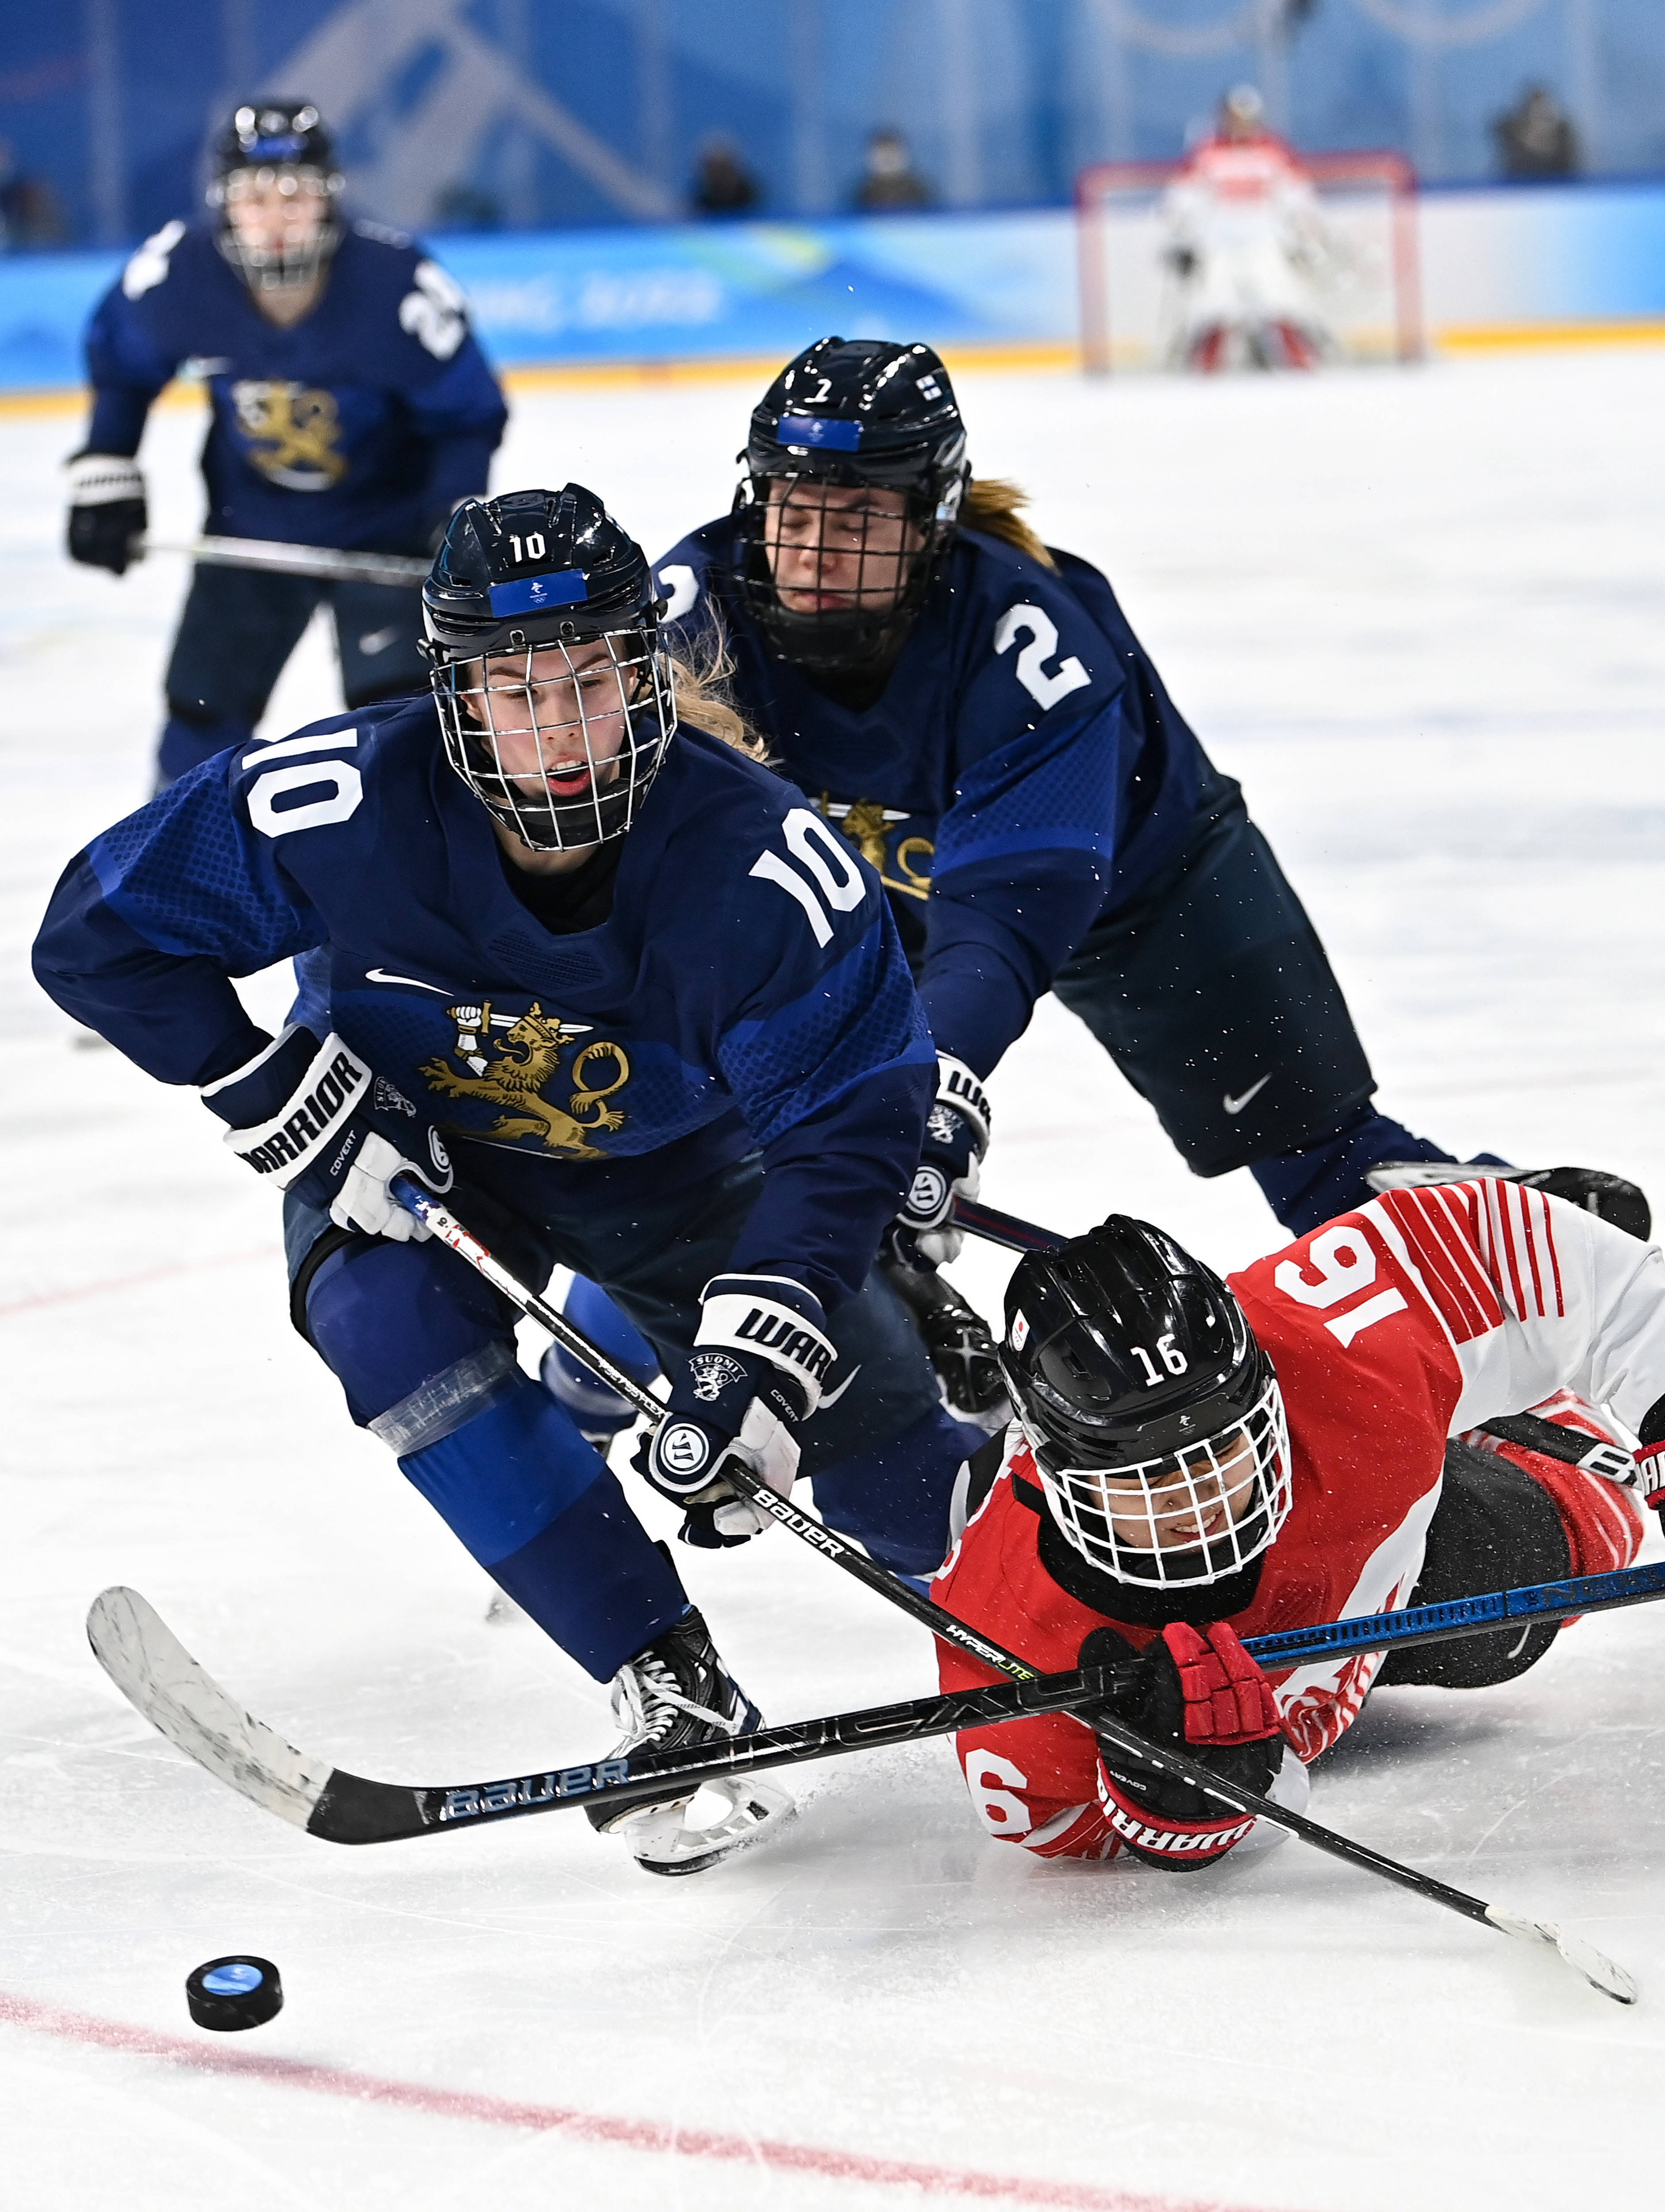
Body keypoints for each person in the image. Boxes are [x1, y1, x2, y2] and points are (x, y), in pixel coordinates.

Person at [32, 481, 985, 1876]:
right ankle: (664, 1672)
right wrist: (268, 1085)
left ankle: (730, 1368)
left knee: (909, 1504)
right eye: (513, 686)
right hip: (414, 1153)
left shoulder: (758, 856)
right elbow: (96, 935)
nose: (555, 724)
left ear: (642, 671)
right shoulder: (339, 799)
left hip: (675, 1175)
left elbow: (849, 1119)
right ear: (452, 694)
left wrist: (762, 1343)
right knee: (383, 1323)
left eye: (589, 677)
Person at [634, 336, 1642, 1404]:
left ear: (929, 518)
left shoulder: (1027, 636)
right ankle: (888, 1321)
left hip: (1144, 891)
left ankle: (1554, 1276)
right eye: (794, 509)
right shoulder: (689, 613)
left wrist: (928, 1086)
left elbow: (1005, 916)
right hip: (873, 904)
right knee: (736, 1148)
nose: (815, 551)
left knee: (1316, 1160)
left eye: (858, 519)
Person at [932, 1188, 1665, 1866]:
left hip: (1374, 1514)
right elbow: (1050, 1825)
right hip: (1335, 1576)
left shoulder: (1327, 1339)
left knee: (1580, 1541)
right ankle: (1475, 1365)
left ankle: (1493, 1377)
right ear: (1056, 1466)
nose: (1198, 1500)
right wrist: (1178, 1804)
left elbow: (1562, 1258)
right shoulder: (1006, 1635)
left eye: (1219, 1449)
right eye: (1146, 1476)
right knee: (1497, 1633)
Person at [65, 100, 508, 789]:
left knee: (408, 731)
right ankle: (174, 874)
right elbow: (123, 363)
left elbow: (466, 414)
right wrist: (107, 460)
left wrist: (454, 510)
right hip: (252, 531)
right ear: (223, 204)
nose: (275, 218)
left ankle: (418, 883)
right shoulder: (179, 273)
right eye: (254, 196)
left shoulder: (396, 286)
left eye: (296, 194)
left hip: (387, 536)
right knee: (201, 717)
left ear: (330, 199)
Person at [1159, 85, 1338, 372]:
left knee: (1280, 297)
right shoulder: (1207, 151)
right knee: (1215, 302)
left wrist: (1305, 227)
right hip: (1220, 240)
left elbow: (1296, 192)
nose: (1241, 123)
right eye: (1235, 116)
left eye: (1247, 117)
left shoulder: (1273, 150)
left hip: (1264, 239)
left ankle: (1298, 359)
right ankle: (1207, 364)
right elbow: (1183, 196)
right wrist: (1180, 232)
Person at [1492, 86, 1580, 182]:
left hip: (1558, 189)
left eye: (1547, 114)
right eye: (1539, 114)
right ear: (1527, 116)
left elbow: (1569, 168)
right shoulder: (1511, 133)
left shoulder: (1563, 135)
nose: (1543, 116)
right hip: (1518, 188)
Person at [851, 130, 932, 212]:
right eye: (882, 155)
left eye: (892, 153)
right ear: (870, 158)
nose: (888, 159)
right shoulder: (860, 196)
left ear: (904, 156)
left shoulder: (922, 193)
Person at [689, 134, 760, 217]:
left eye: (722, 170)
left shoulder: (750, 195)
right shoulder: (702, 199)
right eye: (714, 170)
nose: (719, 175)